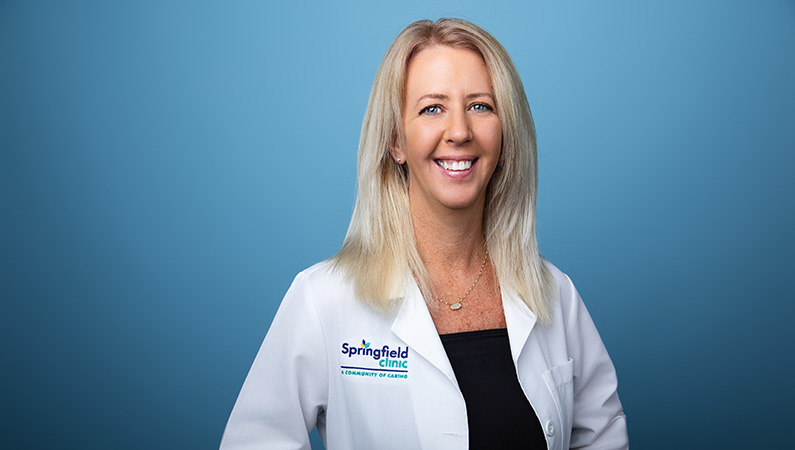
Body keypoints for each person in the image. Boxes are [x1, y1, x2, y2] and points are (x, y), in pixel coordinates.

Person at [220, 18, 628, 450]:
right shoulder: (324, 300)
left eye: (480, 106)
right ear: (396, 140)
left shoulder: (555, 296)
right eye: (432, 108)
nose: (459, 132)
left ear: (506, 134)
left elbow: (602, 439)